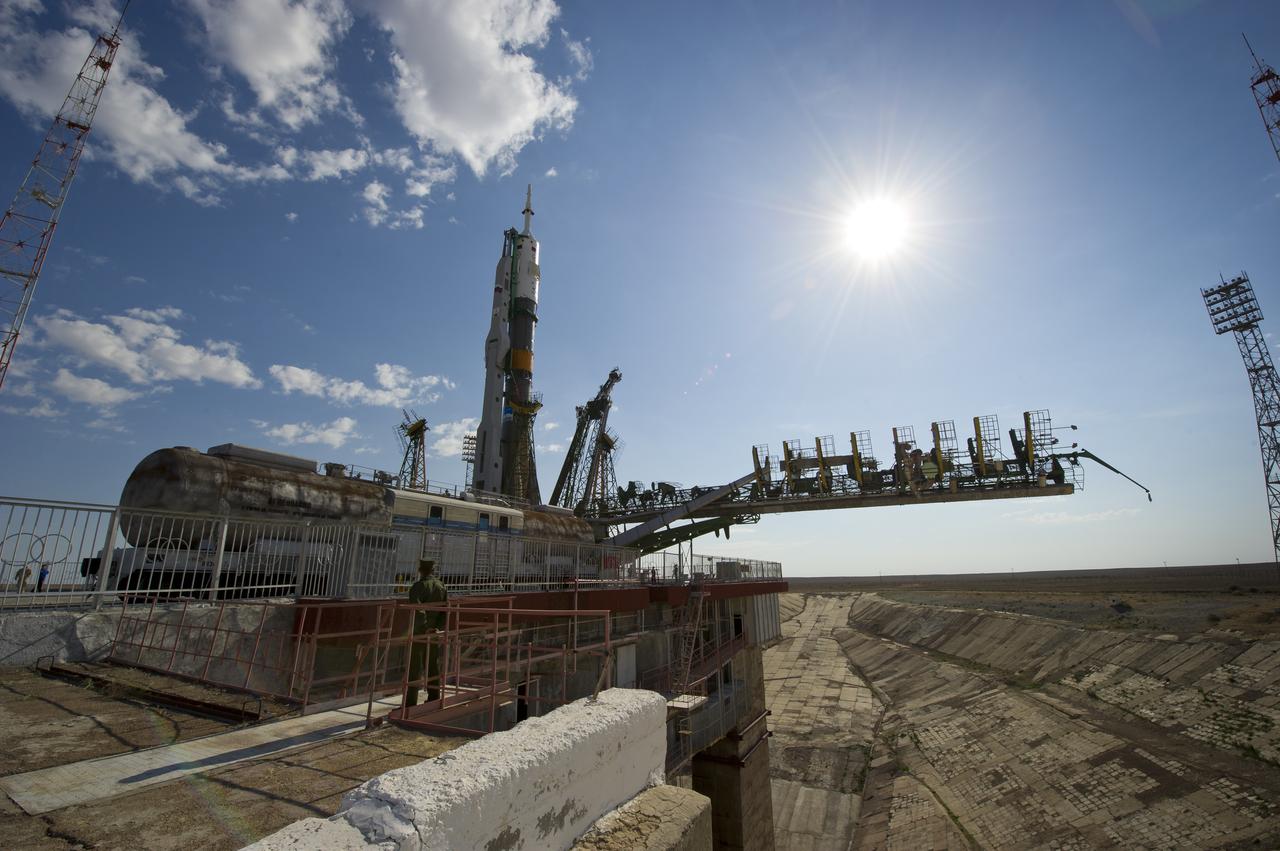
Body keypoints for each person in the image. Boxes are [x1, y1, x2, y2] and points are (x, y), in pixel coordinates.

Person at [406, 558, 448, 706]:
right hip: (434, 632)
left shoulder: (418, 587)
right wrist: (437, 627)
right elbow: (445, 610)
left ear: (420, 570)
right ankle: (434, 697)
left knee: (414, 667)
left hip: (419, 632)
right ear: (433, 570)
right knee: (432, 665)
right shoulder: (441, 585)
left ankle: (410, 702)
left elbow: (417, 609)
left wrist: (424, 627)